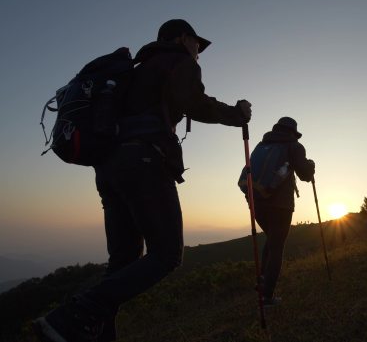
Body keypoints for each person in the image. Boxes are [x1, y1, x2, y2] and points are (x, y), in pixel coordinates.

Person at [34, 19, 252, 342]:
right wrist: (237, 114)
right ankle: (72, 314)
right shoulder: (178, 61)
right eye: (197, 44)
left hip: (108, 171)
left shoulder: (132, 73)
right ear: (181, 38)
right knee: (167, 254)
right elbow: (195, 102)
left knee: (122, 263)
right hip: (144, 163)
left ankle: (93, 331)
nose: (199, 52)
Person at [250, 117, 315, 306]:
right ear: (293, 132)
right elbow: (305, 175)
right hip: (280, 205)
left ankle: (263, 280)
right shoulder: (294, 146)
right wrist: (310, 165)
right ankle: (267, 296)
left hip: (257, 202)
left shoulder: (262, 145)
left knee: (271, 240)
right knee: (277, 246)